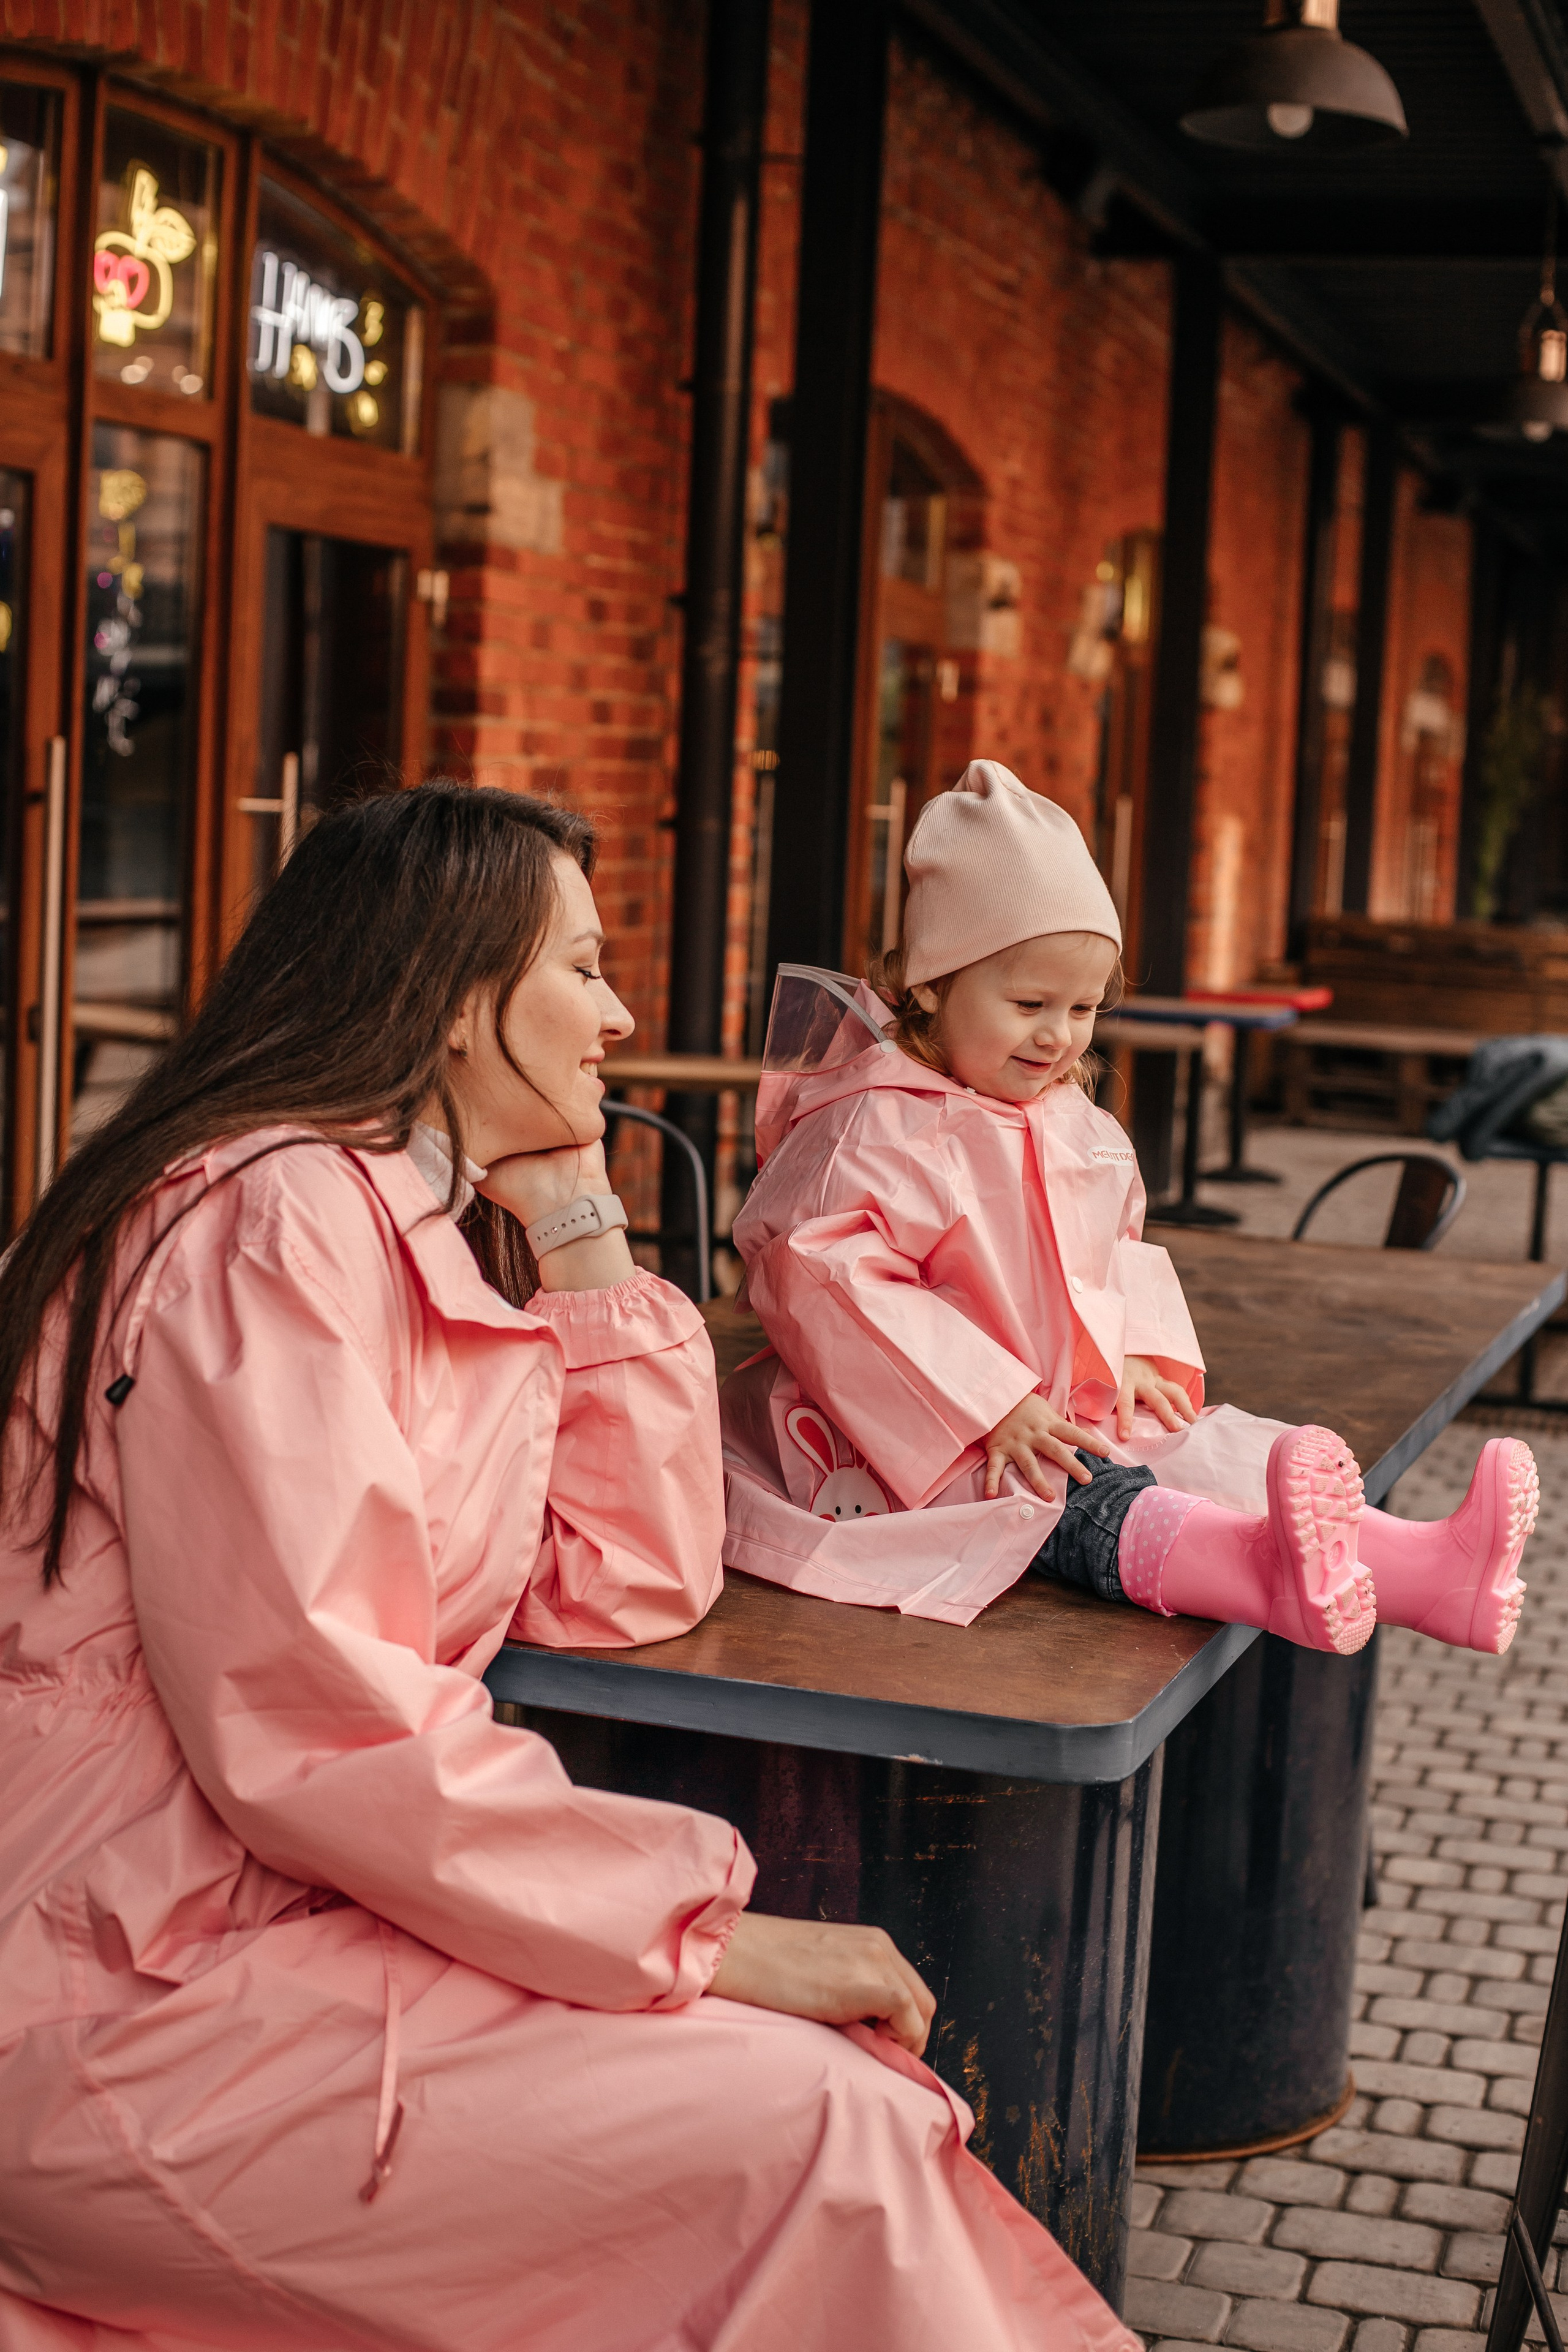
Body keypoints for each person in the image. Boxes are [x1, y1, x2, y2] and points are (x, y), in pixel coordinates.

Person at [0, 783, 1137, 2352]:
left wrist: (579, 1220)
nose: (615, 1014)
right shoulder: (275, 1226)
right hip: (126, 1994)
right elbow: (313, 1717)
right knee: (827, 2128)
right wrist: (706, 1936)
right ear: (461, 1003)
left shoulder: (397, 1216)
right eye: (584, 969)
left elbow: (627, 1574)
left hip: (272, 1925)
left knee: (842, 2110)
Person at [721, 760, 1539, 1653]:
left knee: (1205, 1452)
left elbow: (1115, 1244)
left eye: (1082, 1007)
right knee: (1083, 1505)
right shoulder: (876, 1125)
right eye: (1029, 1003)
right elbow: (824, 1277)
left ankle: (1435, 1572)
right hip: (920, 1439)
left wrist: (1140, 1348)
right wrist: (987, 1403)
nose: (1058, 1034)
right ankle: (1265, 1577)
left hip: (1064, 1406)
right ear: (930, 984)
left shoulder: (1068, 1116)